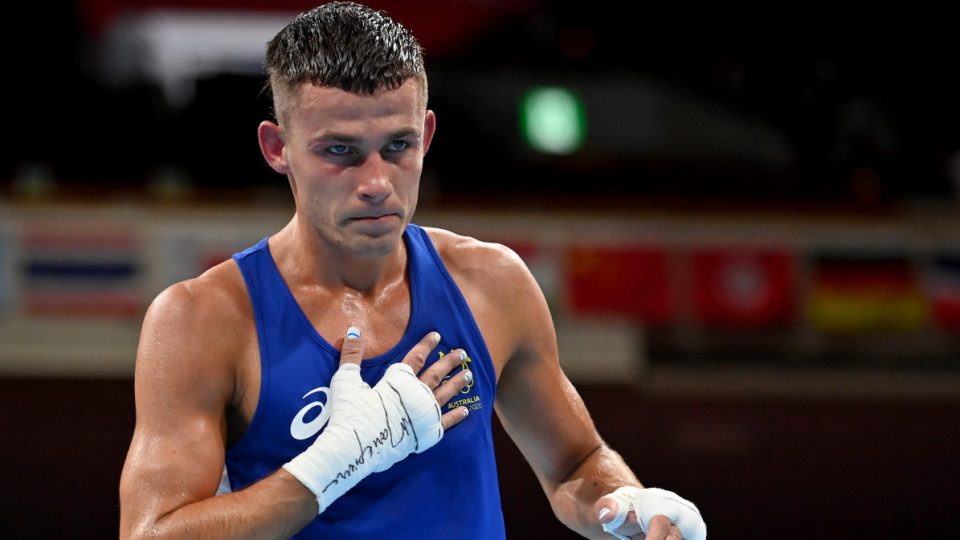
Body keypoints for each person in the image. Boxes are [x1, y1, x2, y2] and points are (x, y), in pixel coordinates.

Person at [118, 2, 707, 539]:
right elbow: (150, 534)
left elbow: (575, 465)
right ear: (278, 148)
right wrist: (336, 462)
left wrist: (629, 504)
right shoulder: (203, 319)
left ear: (426, 134)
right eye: (339, 151)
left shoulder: (491, 284)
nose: (376, 183)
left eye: (397, 146)